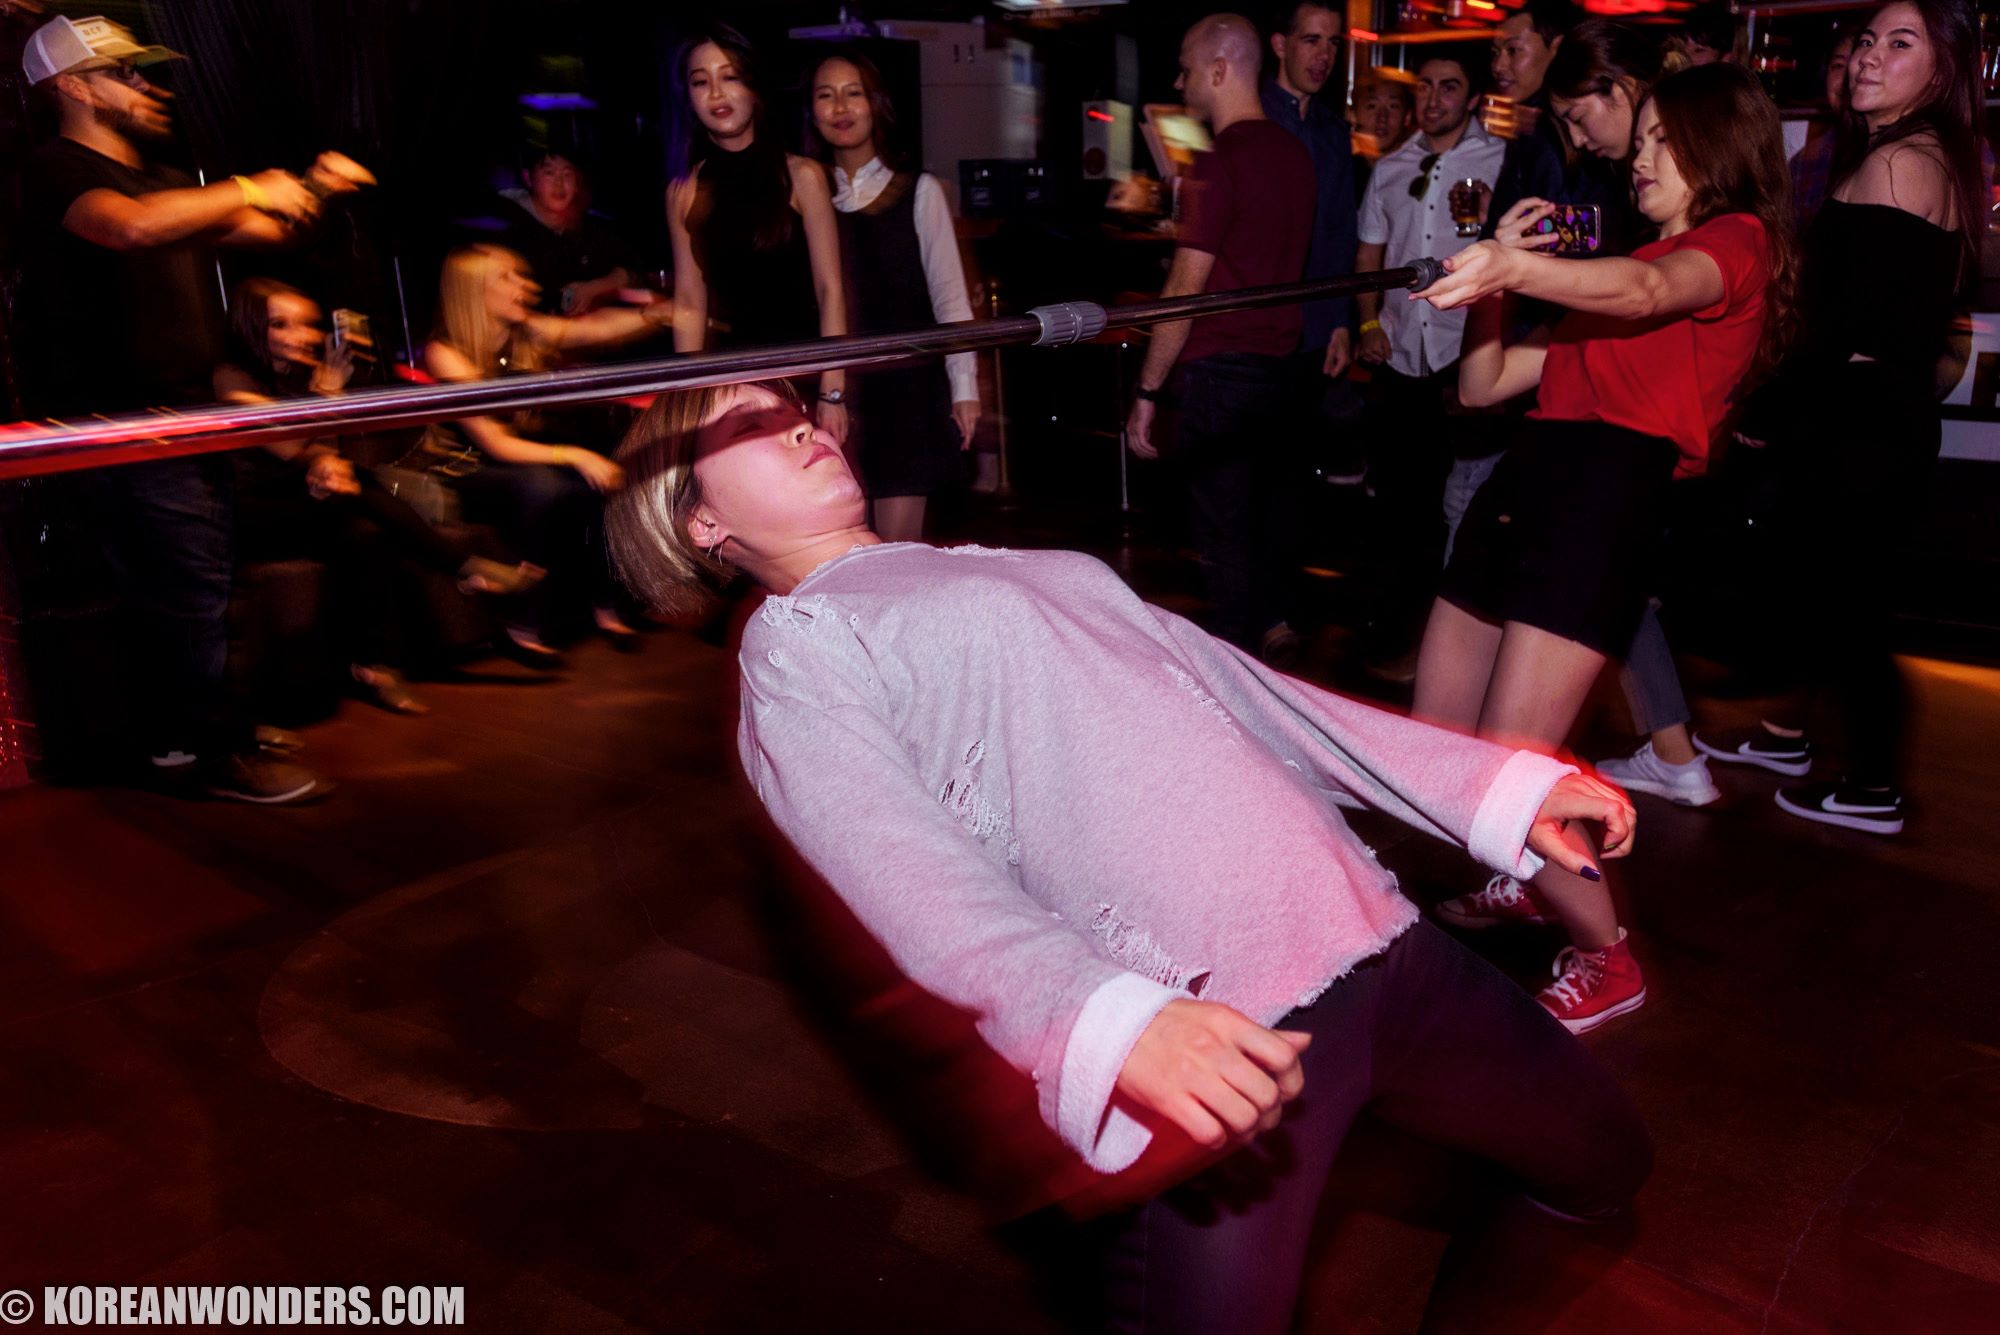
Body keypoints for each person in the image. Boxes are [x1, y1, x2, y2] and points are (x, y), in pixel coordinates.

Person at [604, 375, 1651, 1335]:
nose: (799, 424)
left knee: (1600, 1165)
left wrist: (1488, 787)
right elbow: (895, 866)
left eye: (793, 408)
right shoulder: (800, 640)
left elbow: (1247, 690)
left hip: (1380, 944)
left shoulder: (978, 564)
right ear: (702, 523)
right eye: (748, 424)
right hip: (1218, 1036)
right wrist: (1090, 1018)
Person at [1409, 62, 1795, 1031]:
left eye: (1665, 139)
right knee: (1441, 742)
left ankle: (1606, 957)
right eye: (1643, 138)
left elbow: (1648, 289)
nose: (1641, 158)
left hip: (1601, 501)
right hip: (1520, 488)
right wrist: (1494, 274)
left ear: (1720, 146)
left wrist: (1517, 269)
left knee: (1506, 762)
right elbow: (1482, 385)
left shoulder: (1734, 243)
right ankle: (1535, 864)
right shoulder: (1614, 275)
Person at [16, 14, 368, 803]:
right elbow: (132, 229)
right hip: (126, 422)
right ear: (74, 88)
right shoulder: (56, 170)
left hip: (185, 414)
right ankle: (223, 750)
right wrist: (246, 187)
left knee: (180, 587)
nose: (147, 86)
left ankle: (179, 734)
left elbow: (268, 231)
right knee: (194, 587)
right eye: (124, 74)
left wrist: (314, 188)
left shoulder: (164, 179)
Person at [1693, 0, 1985, 835]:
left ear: (1943, 70)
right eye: (1866, 40)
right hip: (1874, 418)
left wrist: (1764, 406)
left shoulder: (1900, 163)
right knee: (1834, 596)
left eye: (1900, 43)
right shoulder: (1917, 154)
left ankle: (1872, 786)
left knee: (1853, 612)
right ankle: (1791, 738)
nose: (1868, 56)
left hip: (1862, 424)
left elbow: (1842, 324)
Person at [214, 279, 541, 714]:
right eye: (281, 324)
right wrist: (327, 400)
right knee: (360, 488)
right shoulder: (230, 377)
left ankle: (376, 668)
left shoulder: (300, 375)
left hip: (312, 504)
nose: (302, 336)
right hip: (252, 514)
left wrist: (326, 463)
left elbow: (319, 450)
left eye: (307, 324)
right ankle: (462, 568)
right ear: (252, 326)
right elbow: (285, 446)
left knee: (366, 531)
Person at [1124, 15, 1316, 663]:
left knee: (1223, 538)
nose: (1179, 83)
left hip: (1220, 372)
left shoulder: (1215, 161)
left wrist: (1148, 390)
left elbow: (1186, 286)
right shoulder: (1295, 155)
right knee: (1266, 520)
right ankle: (1276, 634)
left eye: (1185, 68)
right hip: (1283, 370)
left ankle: (1238, 679)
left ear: (1218, 69)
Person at [421, 244, 669, 659]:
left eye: (520, 275)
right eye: (507, 277)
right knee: (544, 486)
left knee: (602, 476)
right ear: (473, 290)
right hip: (464, 469)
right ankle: (522, 624)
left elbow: (596, 329)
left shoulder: (524, 333)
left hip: (518, 459)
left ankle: (606, 607)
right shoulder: (445, 353)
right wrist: (574, 456)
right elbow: (494, 443)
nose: (525, 285)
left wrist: (657, 314)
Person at [1352, 50, 1506, 677]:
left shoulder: (1500, 162)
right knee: (1400, 506)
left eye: (1449, 87)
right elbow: (1369, 256)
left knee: (1462, 511)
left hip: (1464, 359)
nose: (1433, 98)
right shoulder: (1391, 166)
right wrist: (1368, 324)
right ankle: (1399, 636)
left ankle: (1454, 653)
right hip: (1399, 359)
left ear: (1472, 99)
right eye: (1425, 86)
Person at [808, 49, 980, 544]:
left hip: (907, 393)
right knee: (836, 549)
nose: (840, 107)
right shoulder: (808, 197)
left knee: (899, 554)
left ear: (876, 104)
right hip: (834, 393)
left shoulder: (918, 191)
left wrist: (965, 388)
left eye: (854, 93)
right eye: (826, 95)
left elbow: (950, 298)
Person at [666, 22, 849, 443]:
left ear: (754, 87)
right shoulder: (683, 191)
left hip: (802, 378)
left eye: (729, 77)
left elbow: (831, 290)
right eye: (701, 82)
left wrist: (833, 390)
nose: (716, 93)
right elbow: (689, 303)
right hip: (729, 388)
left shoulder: (802, 176)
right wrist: (685, 400)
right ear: (688, 96)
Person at [1261, 1, 1364, 494]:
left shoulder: (1333, 133)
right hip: (1255, 327)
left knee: (1293, 474)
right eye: (1311, 40)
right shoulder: (1250, 119)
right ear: (1280, 45)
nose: (1324, 55)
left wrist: (1340, 322)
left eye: (1333, 43)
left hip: (1312, 330)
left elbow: (1341, 232)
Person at [498, 141, 633, 317]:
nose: (559, 183)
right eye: (549, 173)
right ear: (528, 178)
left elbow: (632, 271)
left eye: (567, 174)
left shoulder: (592, 227)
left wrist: (595, 287)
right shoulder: (504, 229)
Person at [1790, 29, 1856, 227]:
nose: (1847, 78)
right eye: (1838, 66)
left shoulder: (1903, 159)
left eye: (1859, 64)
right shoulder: (1807, 162)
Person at [1352, 72, 1414, 177]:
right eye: (1372, 106)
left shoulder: (1417, 172)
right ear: (1354, 114)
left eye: (1393, 106)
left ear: (1407, 117)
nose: (1382, 118)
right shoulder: (1338, 167)